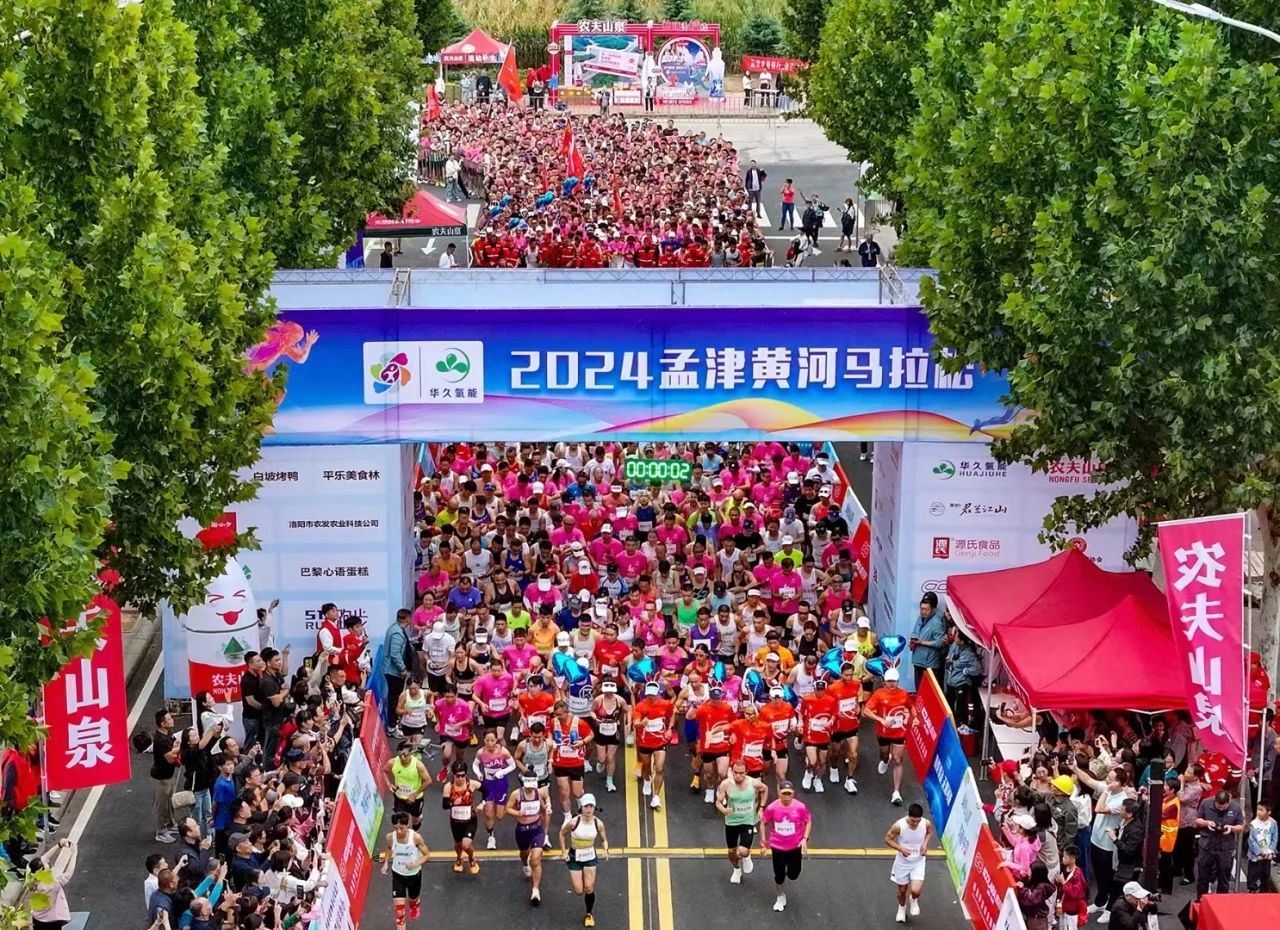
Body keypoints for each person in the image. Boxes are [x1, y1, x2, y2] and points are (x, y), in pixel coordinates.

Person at [559, 793, 610, 928]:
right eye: (586, 806)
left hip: (590, 857)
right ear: (581, 807)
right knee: (578, 891)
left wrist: (606, 849)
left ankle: (589, 913)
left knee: (588, 887)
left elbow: (604, 839)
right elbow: (562, 834)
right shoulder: (574, 822)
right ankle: (581, 878)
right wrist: (563, 851)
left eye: (591, 806)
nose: (588, 809)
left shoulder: (598, 823)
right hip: (574, 857)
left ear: (594, 808)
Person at [760, 779, 811, 912]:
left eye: (789, 794)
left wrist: (805, 839)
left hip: (795, 847)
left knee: (794, 874)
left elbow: (808, 821)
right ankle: (780, 896)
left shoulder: (800, 807)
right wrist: (763, 842)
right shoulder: (772, 808)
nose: (787, 797)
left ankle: (788, 871)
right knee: (779, 875)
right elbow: (763, 822)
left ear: (793, 793)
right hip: (777, 847)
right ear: (779, 793)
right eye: (784, 793)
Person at [863, 667, 912, 804]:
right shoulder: (879, 694)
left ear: (898, 681)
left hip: (899, 732)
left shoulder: (904, 694)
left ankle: (896, 792)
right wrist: (881, 720)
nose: (892, 684)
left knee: (898, 760)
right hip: (883, 732)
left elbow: (910, 706)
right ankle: (885, 760)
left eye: (894, 681)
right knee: (884, 755)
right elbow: (866, 711)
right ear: (885, 681)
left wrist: (912, 716)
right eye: (889, 681)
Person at [716, 759, 768, 885]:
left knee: (743, 851)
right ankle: (736, 869)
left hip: (748, 820)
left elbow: (765, 789)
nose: (738, 776)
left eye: (741, 773)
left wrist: (761, 807)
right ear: (732, 771)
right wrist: (724, 810)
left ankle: (746, 855)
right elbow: (718, 802)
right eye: (736, 773)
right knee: (732, 852)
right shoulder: (726, 784)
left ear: (746, 772)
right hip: (732, 822)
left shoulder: (754, 783)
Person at [507, 772, 552, 905]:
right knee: (524, 853)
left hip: (536, 829)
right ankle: (525, 864)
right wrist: (517, 812)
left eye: (533, 786)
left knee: (536, 859)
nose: (531, 788)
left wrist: (548, 806)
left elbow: (547, 797)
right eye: (529, 786)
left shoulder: (540, 792)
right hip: (522, 830)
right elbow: (507, 808)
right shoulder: (516, 794)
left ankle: (535, 890)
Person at [886, 802, 933, 923]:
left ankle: (913, 900)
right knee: (902, 890)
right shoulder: (899, 826)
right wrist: (900, 848)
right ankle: (901, 908)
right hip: (902, 862)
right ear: (908, 815)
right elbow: (887, 839)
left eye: (918, 821)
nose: (915, 824)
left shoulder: (926, 823)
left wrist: (925, 844)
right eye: (913, 821)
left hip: (918, 861)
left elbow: (929, 832)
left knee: (915, 891)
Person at [382, 811, 430, 929]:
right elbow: (388, 849)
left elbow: (427, 855)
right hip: (398, 875)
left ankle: (414, 905)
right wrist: (386, 862)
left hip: (414, 875)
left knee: (413, 898)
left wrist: (415, 864)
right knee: (399, 913)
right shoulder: (390, 837)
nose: (398, 831)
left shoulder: (416, 838)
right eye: (396, 828)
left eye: (401, 828)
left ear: (407, 825)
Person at [1194, 788, 1244, 898]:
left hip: (1225, 847)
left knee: (1224, 877)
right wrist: (1207, 823)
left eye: (1224, 807)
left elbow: (1241, 826)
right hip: (1207, 845)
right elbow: (1197, 820)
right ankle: (1201, 899)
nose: (1221, 809)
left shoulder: (1236, 807)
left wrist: (1231, 828)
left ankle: (1222, 901)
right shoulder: (1206, 803)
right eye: (1219, 807)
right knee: (1203, 876)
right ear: (1215, 801)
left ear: (1229, 802)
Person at [633, 681, 674, 810]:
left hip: (660, 742)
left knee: (659, 768)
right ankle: (647, 779)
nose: (651, 697)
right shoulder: (640, 706)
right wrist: (641, 724)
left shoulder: (666, 704)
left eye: (653, 694)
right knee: (646, 767)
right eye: (648, 694)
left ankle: (656, 796)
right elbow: (635, 723)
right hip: (644, 742)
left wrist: (670, 729)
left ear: (657, 693)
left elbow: (672, 714)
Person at [472, 728, 516, 849]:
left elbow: (513, 765)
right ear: (484, 740)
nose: (490, 743)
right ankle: (491, 837)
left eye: (492, 740)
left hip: (500, 784)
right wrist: (479, 774)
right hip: (488, 785)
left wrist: (502, 772)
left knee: (500, 815)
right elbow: (475, 765)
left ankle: (510, 806)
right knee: (488, 813)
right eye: (487, 740)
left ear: (496, 739)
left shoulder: (503, 751)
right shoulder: (481, 752)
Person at [442, 760, 482, 875]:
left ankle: (471, 858)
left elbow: (487, 792)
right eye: (457, 776)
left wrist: (482, 803)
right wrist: (453, 803)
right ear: (453, 775)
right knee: (458, 844)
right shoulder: (448, 787)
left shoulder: (472, 784)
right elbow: (444, 805)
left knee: (466, 844)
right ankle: (459, 858)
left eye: (463, 775)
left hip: (470, 820)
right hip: (455, 822)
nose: (460, 778)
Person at [31, 838, 76, 930]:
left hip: (37, 918)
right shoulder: (51, 885)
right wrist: (74, 853)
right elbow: (68, 874)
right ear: (42, 870)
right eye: (46, 864)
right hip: (51, 921)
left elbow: (44, 858)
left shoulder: (32, 879)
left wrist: (59, 845)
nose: (48, 863)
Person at [150, 709, 181, 842]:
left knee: (169, 801)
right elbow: (170, 758)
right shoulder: (160, 740)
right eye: (169, 719)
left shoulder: (168, 733)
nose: (172, 720)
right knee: (162, 805)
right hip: (161, 777)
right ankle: (161, 831)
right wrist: (179, 748)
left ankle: (170, 824)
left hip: (168, 774)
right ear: (162, 723)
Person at [381, 609, 414, 732]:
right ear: (407, 619)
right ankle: (392, 726)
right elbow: (395, 654)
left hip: (392, 670)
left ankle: (395, 720)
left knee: (395, 697)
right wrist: (403, 668)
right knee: (395, 699)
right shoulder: (397, 634)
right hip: (394, 672)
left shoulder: (395, 628)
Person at [387, 740, 430, 830]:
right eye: (400, 755)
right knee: (401, 822)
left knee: (415, 821)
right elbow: (384, 771)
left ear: (411, 753)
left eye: (404, 755)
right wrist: (389, 784)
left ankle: (416, 824)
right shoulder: (392, 762)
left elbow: (428, 781)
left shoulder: (418, 765)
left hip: (415, 799)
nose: (402, 758)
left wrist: (415, 794)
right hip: (400, 798)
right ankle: (407, 836)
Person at [909, 594, 946, 688]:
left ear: (933, 609)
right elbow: (915, 632)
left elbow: (940, 643)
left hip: (929, 665)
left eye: (926, 609)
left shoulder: (937, 623)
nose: (923, 612)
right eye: (921, 609)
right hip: (917, 661)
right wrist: (913, 641)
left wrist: (922, 643)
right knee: (918, 690)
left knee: (928, 692)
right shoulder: (920, 618)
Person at [1246, 799, 1278, 892]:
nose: (1258, 812)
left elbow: (1274, 837)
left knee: (1266, 872)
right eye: (1258, 809)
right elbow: (1251, 839)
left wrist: (1270, 850)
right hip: (1256, 854)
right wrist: (1259, 852)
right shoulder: (1254, 824)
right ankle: (1252, 889)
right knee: (1253, 872)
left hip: (1268, 853)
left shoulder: (1273, 823)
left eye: (1261, 810)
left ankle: (1264, 889)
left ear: (1269, 812)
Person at [1015, 861, 1056, 930]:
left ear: (1035, 874)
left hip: (1037, 921)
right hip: (1035, 919)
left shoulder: (1041, 889)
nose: (1028, 873)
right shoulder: (1039, 885)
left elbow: (1030, 900)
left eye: (1030, 872)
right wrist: (1025, 879)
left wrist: (1022, 889)